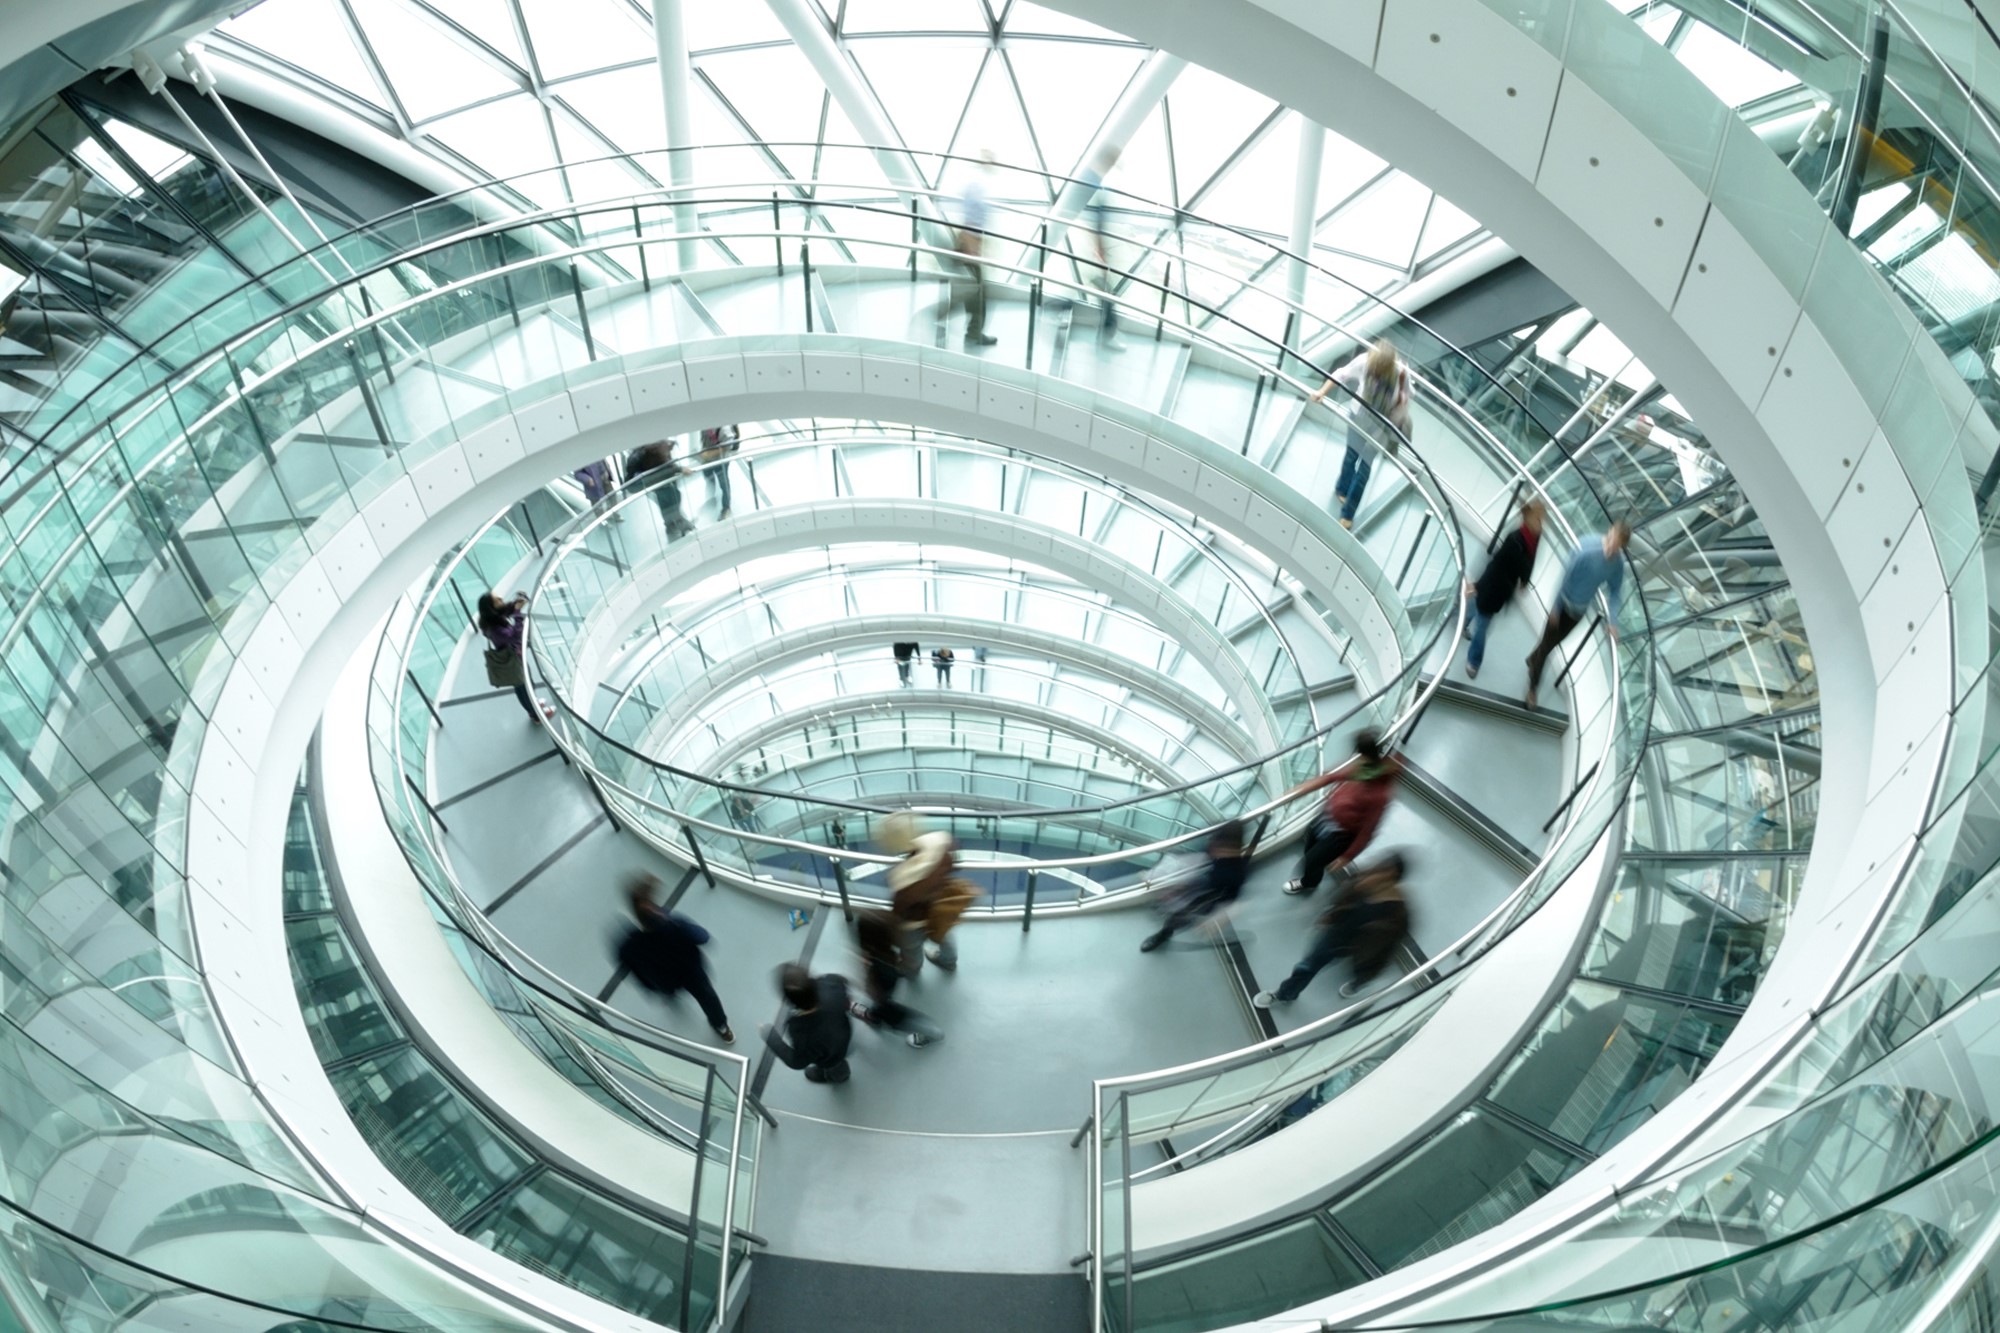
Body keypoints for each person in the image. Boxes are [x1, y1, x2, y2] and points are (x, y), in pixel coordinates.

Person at [1256, 853, 1413, 1007]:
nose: (1375, 877)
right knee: (1307, 966)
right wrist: (1330, 915)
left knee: (1362, 971)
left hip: (1360, 949)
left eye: (1383, 875)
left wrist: (1371, 968)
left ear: (1392, 879)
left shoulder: (1396, 916)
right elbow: (1341, 900)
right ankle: (1285, 994)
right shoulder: (1362, 881)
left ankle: (1358, 983)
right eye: (1378, 871)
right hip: (1334, 937)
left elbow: (1386, 949)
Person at [1524, 521, 1632, 711]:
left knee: (1550, 644)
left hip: (1578, 612)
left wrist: (1612, 622)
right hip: (1563, 606)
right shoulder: (1586, 550)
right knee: (1548, 647)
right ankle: (1532, 689)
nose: (1612, 549)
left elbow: (1615, 591)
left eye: (1618, 547)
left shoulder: (1617, 564)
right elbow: (1566, 577)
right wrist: (1556, 608)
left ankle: (1533, 658)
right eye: (1612, 542)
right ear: (1609, 533)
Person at [1281, 729, 1401, 897]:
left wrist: (1347, 856)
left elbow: (1368, 830)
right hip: (1326, 818)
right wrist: (1301, 789)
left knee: (1313, 860)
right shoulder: (1361, 767)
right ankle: (1313, 869)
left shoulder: (1379, 794)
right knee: (1309, 846)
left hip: (1341, 835)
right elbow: (1331, 777)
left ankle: (1309, 882)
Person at [617, 873, 734, 1043]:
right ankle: (721, 1026)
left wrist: (651, 987)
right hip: (693, 974)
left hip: (664, 982)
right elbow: (703, 937)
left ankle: (671, 998)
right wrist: (670, 919)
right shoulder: (675, 925)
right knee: (708, 998)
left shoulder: (629, 945)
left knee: (677, 994)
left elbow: (631, 969)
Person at [1309, 339, 1411, 528]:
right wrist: (1322, 392)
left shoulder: (1401, 373)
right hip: (1358, 417)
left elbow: (1406, 397)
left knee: (1364, 467)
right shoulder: (1365, 362)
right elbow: (1341, 374)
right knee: (1351, 456)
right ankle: (1342, 488)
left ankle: (1348, 513)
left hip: (1380, 425)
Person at [882, 812, 979, 973]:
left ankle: (911, 968)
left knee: (911, 948)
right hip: (940, 909)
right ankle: (948, 961)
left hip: (914, 923)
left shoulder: (900, 876)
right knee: (944, 935)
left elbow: (900, 909)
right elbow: (954, 865)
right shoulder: (941, 841)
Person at [1463, 499, 1546, 681]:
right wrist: (1477, 585)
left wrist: (1525, 580)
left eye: (1541, 519)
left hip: (1502, 589)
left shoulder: (1534, 537)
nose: (1540, 524)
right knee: (1483, 625)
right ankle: (1473, 661)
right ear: (1529, 518)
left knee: (1477, 611)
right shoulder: (1514, 539)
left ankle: (1463, 622)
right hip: (1493, 587)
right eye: (1538, 518)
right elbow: (1496, 566)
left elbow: (1530, 561)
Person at [1140, 820, 1248, 952]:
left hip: (1206, 897)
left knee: (1178, 918)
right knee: (1174, 908)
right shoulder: (1214, 849)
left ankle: (1164, 934)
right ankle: (1165, 926)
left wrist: (1214, 920)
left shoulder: (1235, 872)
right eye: (1215, 846)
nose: (1214, 850)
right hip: (1197, 883)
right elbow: (1196, 865)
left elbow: (1229, 897)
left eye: (1220, 848)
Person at [852, 908, 942, 1047]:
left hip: (883, 991)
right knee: (882, 1007)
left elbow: (875, 989)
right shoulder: (889, 953)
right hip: (888, 983)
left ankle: (931, 1032)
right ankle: (874, 1015)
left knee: (894, 1015)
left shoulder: (878, 964)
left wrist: (870, 986)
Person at [760, 963, 852, 1083]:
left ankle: (839, 1076)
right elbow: (841, 981)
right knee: (839, 1056)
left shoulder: (801, 1030)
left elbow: (797, 1061)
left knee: (833, 1064)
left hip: (829, 1056)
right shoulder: (830, 986)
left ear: (789, 1000)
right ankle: (840, 1071)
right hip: (844, 1035)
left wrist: (771, 1038)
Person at [1075, 146, 1125, 351]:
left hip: (1094, 250)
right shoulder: (1095, 184)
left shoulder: (1093, 180)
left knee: (1105, 294)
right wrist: (1100, 251)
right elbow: (1095, 221)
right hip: (1096, 252)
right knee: (1108, 295)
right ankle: (1106, 335)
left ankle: (1106, 333)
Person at [476, 590, 552, 721]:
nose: (501, 598)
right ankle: (536, 714)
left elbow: (504, 610)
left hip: (514, 657)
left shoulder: (490, 619)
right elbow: (515, 635)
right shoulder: (495, 630)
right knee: (524, 687)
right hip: (512, 660)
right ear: (492, 608)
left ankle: (533, 705)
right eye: (497, 600)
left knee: (524, 685)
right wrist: (517, 613)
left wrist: (515, 605)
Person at [950, 151, 998, 348]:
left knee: (976, 289)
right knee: (979, 292)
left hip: (971, 240)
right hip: (970, 241)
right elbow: (971, 218)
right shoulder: (977, 184)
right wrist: (972, 248)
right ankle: (973, 332)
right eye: (990, 159)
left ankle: (972, 330)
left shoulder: (978, 182)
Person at [626, 440, 692, 540]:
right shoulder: (654, 450)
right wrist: (679, 469)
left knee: (665, 504)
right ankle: (681, 526)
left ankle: (670, 526)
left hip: (656, 484)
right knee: (674, 501)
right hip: (662, 483)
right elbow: (664, 467)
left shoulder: (647, 449)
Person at [698, 425, 740, 518]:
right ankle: (712, 500)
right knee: (709, 480)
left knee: (723, 484)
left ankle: (726, 508)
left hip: (721, 461)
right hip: (708, 461)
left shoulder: (724, 428)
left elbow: (729, 445)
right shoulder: (704, 425)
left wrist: (709, 454)